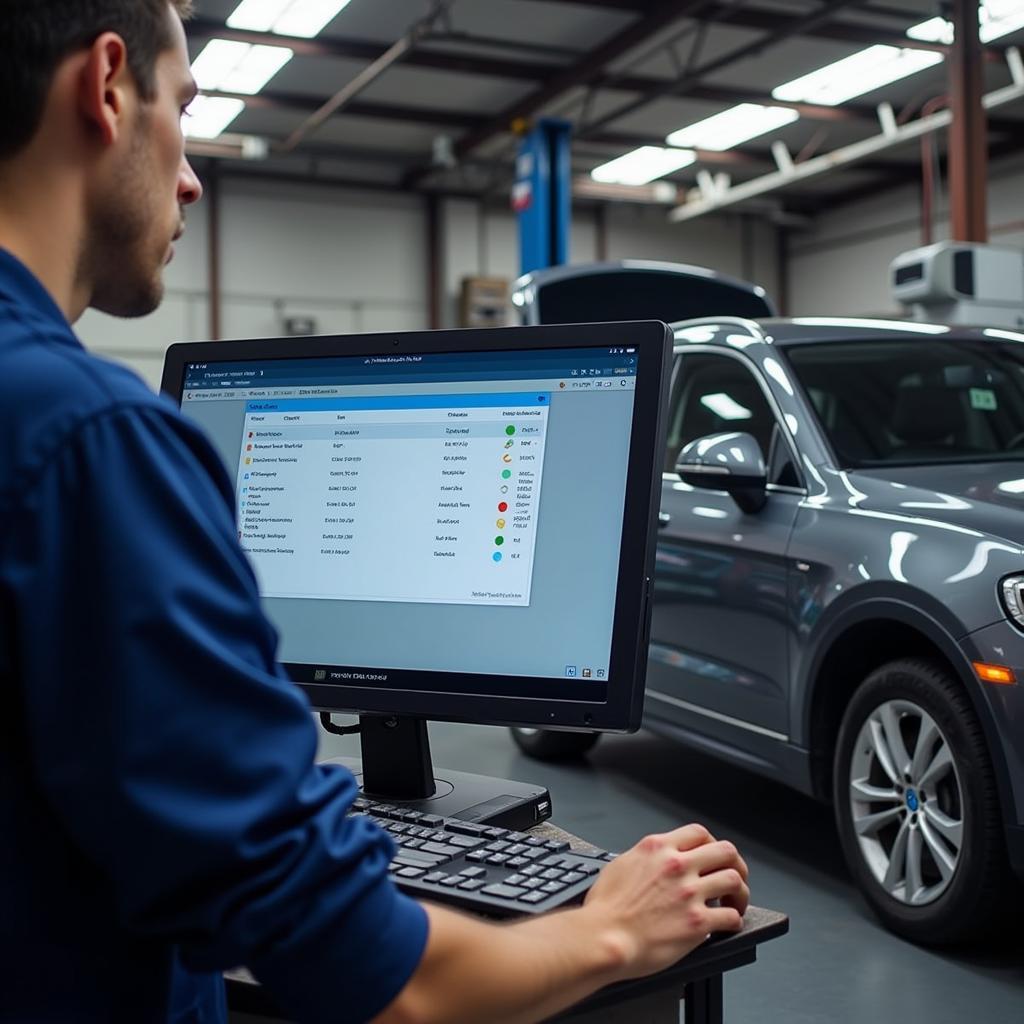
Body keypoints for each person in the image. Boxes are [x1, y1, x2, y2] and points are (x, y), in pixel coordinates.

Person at [0, 2, 751, 1022]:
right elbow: (372, 972)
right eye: (179, 109)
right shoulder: (89, 442)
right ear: (104, 86)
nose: (190, 177)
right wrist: (611, 924)